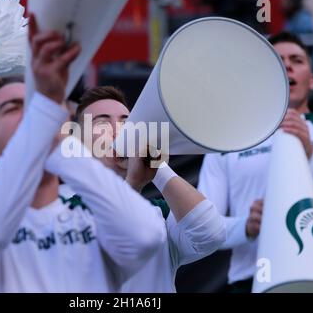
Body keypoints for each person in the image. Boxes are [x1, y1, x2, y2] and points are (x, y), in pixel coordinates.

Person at [0, 14, 166, 292]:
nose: (32, 117)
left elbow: (146, 237)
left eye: (35, 109)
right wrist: (46, 112)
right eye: (15, 107)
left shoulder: (87, 215)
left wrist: (58, 142)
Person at [197, 31, 313, 293]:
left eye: (296, 60)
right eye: (277, 61)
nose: (287, 65)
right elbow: (202, 226)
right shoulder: (227, 142)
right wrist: (246, 226)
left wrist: (312, 155)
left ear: (312, 81)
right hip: (251, 281)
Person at [73, 86, 226, 292]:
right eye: (102, 122)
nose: (119, 129)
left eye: (126, 122)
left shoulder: (160, 212)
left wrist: (157, 166)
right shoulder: (63, 210)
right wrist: (133, 184)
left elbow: (211, 236)